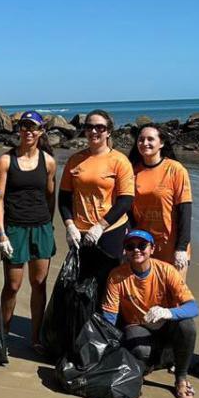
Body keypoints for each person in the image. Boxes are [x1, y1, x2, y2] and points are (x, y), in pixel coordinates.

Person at [101, 229, 199, 398]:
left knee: (188, 326)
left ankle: (181, 378)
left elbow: (193, 307)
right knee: (140, 350)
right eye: (130, 247)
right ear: (125, 251)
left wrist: (168, 312)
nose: (136, 250)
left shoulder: (167, 271)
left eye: (142, 245)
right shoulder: (116, 276)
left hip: (165, 324)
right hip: (138, 327)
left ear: (152, 249)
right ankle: (157, 361)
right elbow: (109, 317)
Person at [0, 111, 56, 347]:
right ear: (18, 130)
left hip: (41, 229)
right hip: (14, 229)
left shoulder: (48, 161)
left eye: (33, 127)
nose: (28, 131)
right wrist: (1, 234)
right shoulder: (6, 160)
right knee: (12, 285)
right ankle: (4, 333)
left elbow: (50, 196)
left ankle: (36, 337)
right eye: (24, 127)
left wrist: (48, 227)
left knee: (39, 284)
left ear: (41, 132)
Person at [59, 110, 135, 281]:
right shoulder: (75, 160)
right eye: (89, 127)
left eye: (100, 127)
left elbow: (126, 200)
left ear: (108, 131)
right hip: (80, 233)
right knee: (80, 285)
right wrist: (69, 226)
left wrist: (100, 226)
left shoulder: (119, 160)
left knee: (109, 282)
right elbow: (64, 197)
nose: (94, 131)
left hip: (111, 231)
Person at [128, 124, 193, 278]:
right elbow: (129, 212)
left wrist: (182, 248)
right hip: (143, 247)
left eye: (150, 139)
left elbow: (185, 211)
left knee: (175, 298)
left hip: (171, 247)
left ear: (161, 143)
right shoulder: (132, 171)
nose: (144, 143)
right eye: (141, 139)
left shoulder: (176, 169)